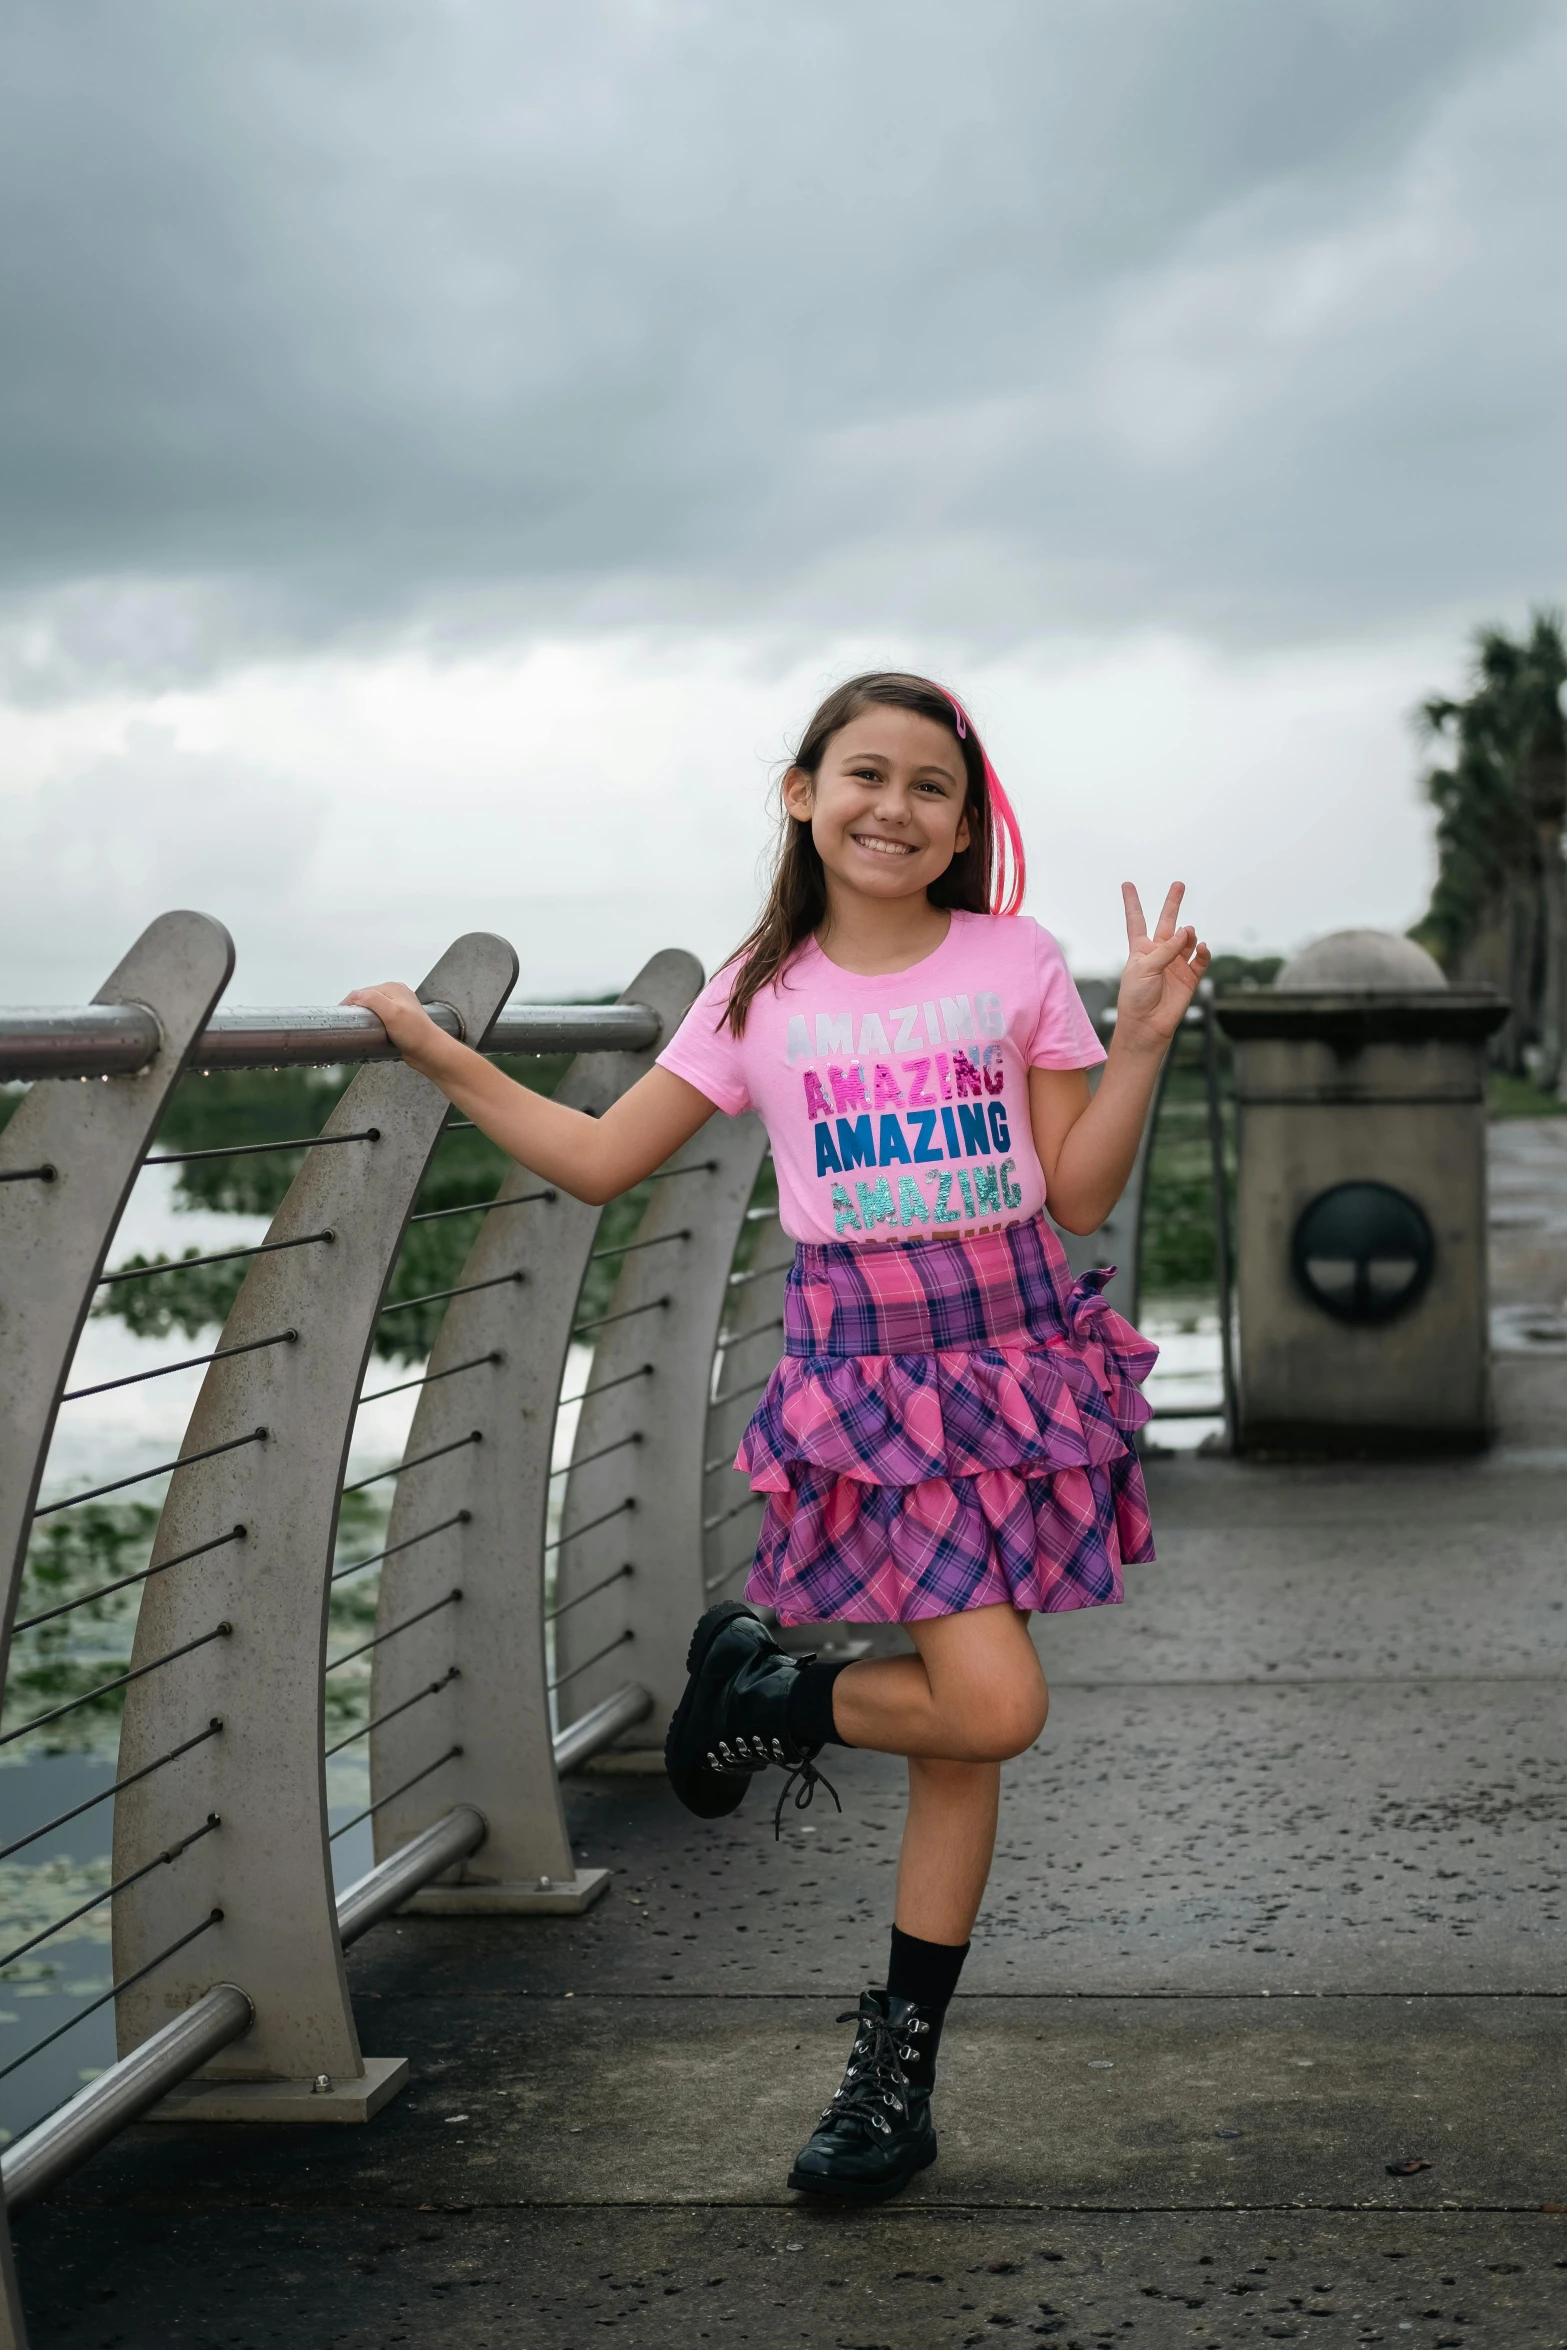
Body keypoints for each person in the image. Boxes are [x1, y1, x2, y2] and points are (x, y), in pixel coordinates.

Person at [346, 670, 1206, 2206]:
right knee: (992, 1705)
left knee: (965, 1725)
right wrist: (444, 1058)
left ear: (962, 824)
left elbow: (1074, 1194)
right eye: (862, 774)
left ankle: (893, 2078)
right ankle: (766, 1690)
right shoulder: (760, 989)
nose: (894, 806)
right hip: (870, 1372)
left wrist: (1137, 1037)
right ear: (802, 792)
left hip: (1012, 1354)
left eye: (929, 786)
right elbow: (605, 1162)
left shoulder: (1016, 960)